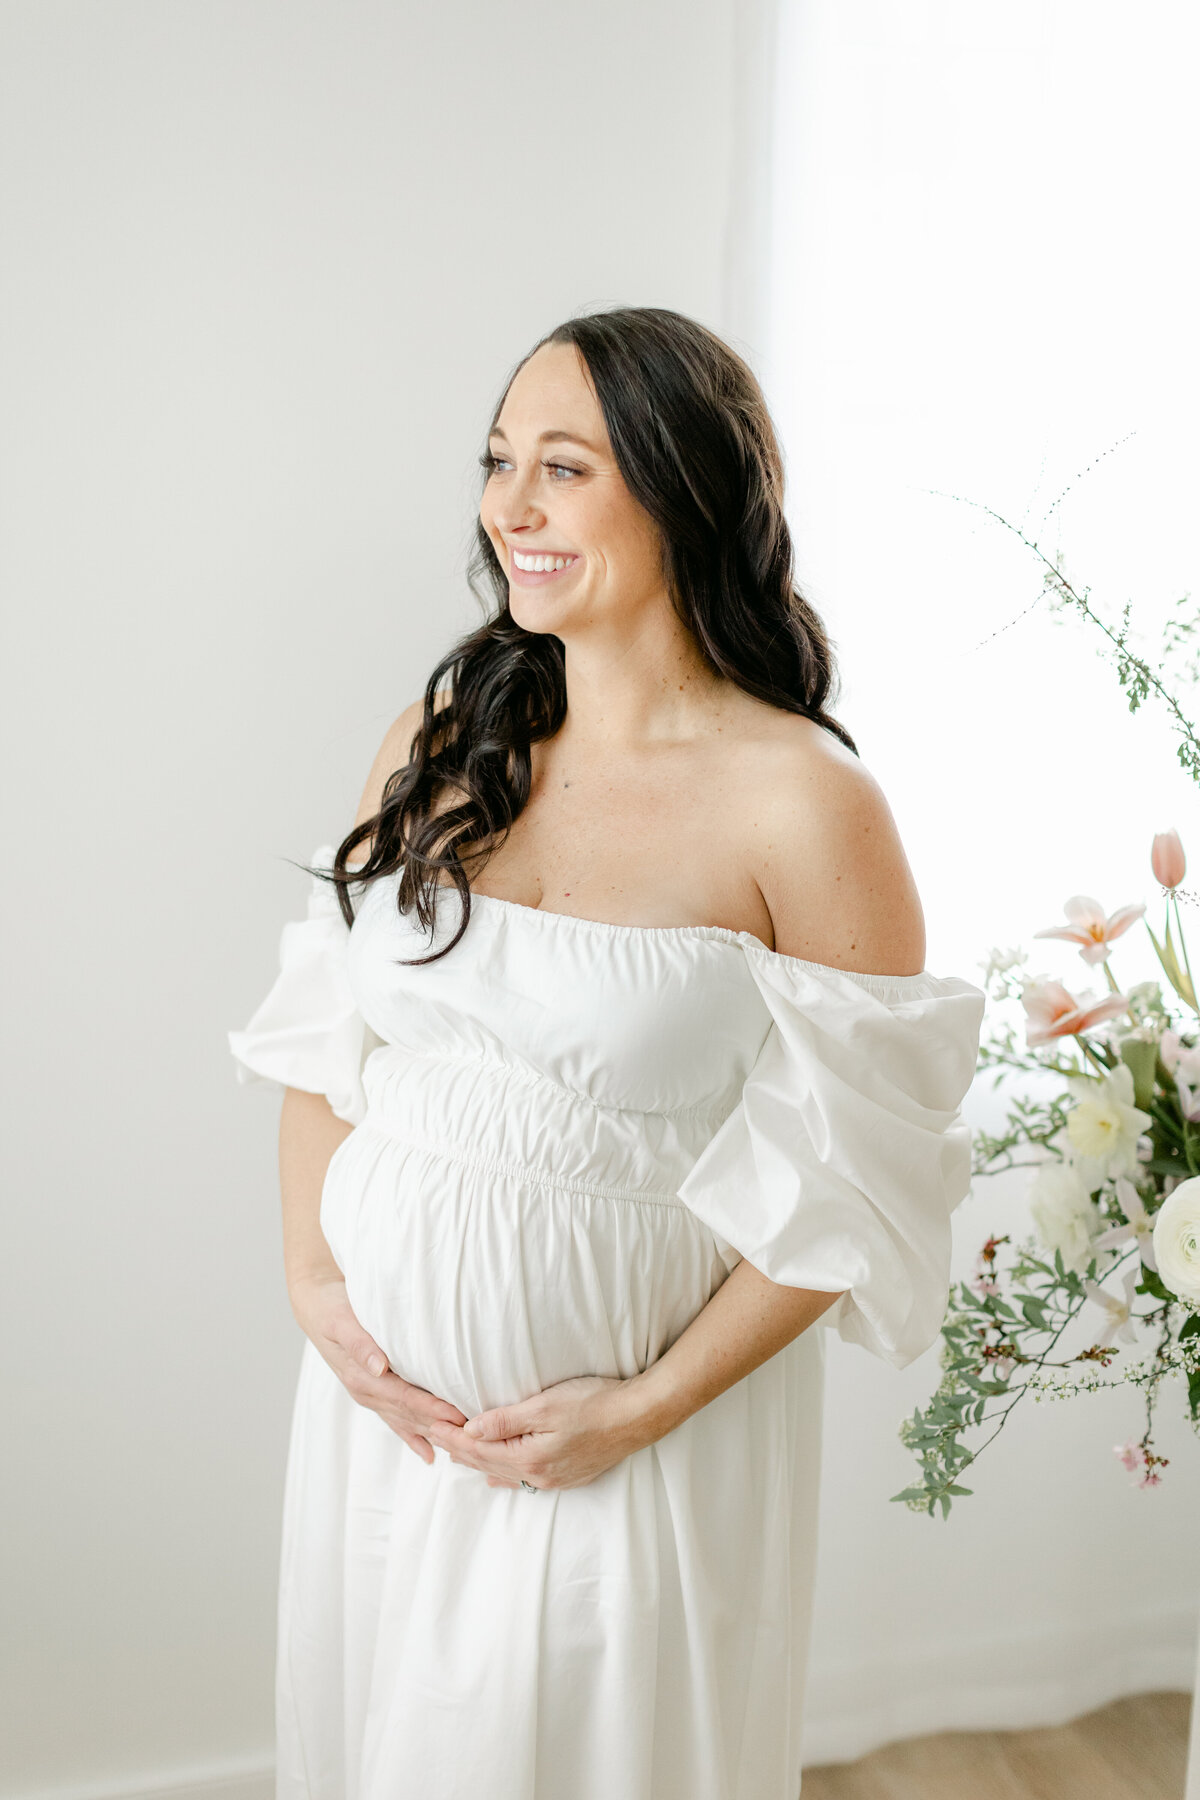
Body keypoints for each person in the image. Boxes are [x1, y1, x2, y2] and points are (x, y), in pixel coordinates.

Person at [228, 305, 986, 1800]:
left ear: (687, 486)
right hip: (387, 1436)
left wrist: (638, 1411)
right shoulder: (444, 737)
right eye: (500, 460)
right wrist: (319, 1287)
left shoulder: (804, 806)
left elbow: (858, 1184)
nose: (510, 505)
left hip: (631, 1458)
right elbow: (330, 1031)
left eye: (563, 466)